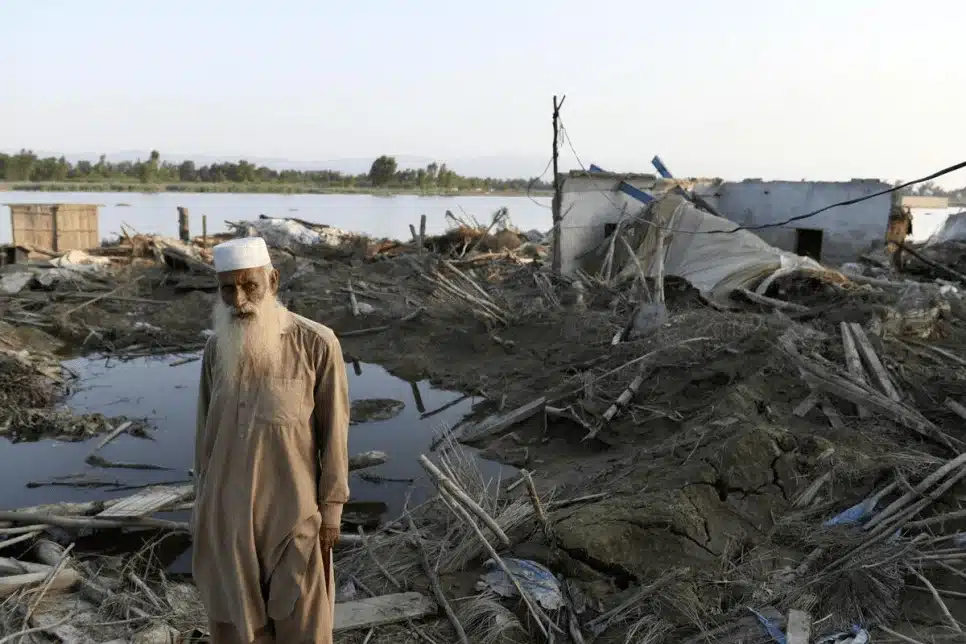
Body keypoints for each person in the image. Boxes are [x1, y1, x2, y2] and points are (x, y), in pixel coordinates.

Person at [192, 236, 350, 644]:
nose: (239, 299)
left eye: (250, 286)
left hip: (292, 514)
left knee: (304, 623)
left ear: (273, 282)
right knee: (236, 623)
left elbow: (335, 432)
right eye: (228, 289)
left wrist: (332, 508)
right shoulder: (215, 350)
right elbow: (204, 432)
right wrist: (202, 504)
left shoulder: (317, 344)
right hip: (227, 514)